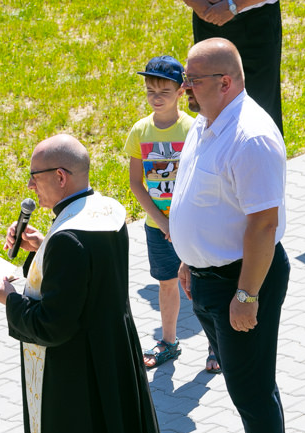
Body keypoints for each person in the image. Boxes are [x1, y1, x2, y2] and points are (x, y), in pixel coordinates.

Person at [0, 135, 185, 433]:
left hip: (75, 377)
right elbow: (87, 277)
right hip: (113, 359)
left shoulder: (68, 238)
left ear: (60, 176)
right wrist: (42, 244)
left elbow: (53, 324)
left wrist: (9, 299)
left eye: (35, 178)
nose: (31, 189)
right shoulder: (107, 211)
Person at [170, 38, 290, 433]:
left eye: (192, 81)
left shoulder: (252, 136)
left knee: (251, 386)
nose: (185, 90)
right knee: (245, 383)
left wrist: (247, 293)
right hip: (208, 276)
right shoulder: (208, 122)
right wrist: (188, 257)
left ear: (225, 81)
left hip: (242, 280)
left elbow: (263, 225)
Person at [125, 56, 221, 373]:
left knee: (202, 284)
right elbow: (136, 183)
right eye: (150, 89)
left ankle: (216, 345)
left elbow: (200, 179)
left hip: (192, 224)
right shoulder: (140, 132)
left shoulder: (192, 129)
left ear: (181, 90)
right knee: (167, 283)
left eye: (163, 89)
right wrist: (162, 221)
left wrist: (180, 221)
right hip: (157, 226)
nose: (155, 95)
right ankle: (169, 342)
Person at [180, 0, 283, 133]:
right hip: (205, 17)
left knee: (260, 115)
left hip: (254, 19)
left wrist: (233, 5)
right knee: (209, 112)